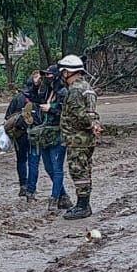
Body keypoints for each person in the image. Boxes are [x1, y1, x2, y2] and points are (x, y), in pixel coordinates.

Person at [57, 55, 102, 220]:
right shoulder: (87, 87)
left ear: (68, 72)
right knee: (85, 169)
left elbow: (79, 114)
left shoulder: (75, 90)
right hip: (86, 138)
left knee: (78, 171)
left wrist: (91, 124)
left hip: (78, 138)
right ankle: (83, 204)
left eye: (63, 71)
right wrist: (94, 124)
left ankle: (83, 206)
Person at [31, 65, 69, 209]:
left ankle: (54, 199)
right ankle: (63, 196)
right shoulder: (48, 91)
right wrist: (34, 85)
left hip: (59, 133)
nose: (47, 78)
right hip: (46, 133)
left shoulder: (64, 92)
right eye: (45, 75)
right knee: (48, 167)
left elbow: (66, 113)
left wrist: (51, 109)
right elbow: (33, 99)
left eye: (49, 75)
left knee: (57, 167)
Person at [4, 73, 39, 198]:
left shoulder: (17, 98)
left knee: (21, 160)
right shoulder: (40, 98)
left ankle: (23, 185)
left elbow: (7, 118)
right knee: (33, 161)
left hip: (19, 134)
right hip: (36, 133)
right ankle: (31, 189)